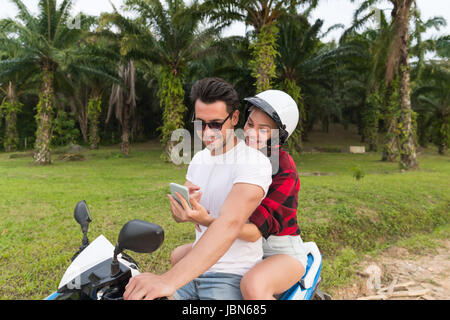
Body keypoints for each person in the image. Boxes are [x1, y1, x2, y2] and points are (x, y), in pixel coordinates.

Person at [123, 78, 273, 300]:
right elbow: (181, 216)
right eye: (200, 123)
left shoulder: (253, 162)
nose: (206, 132)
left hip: (230, 278)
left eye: (215, 123)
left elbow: (229, 224)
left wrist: (167, 280)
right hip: (192, 273)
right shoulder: (199, 159)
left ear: (234, 118)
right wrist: (181, 210)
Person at [170, 89, 307, 300]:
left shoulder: (284, 169)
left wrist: (208, 221)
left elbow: (254, 232)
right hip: (240, 244)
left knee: (253, 286)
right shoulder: (236, 153)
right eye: (250, 124)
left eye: (264, 130)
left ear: (279, 136)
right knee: (178, 256)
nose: (251, 133)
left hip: (278, 249)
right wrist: (191, 202)